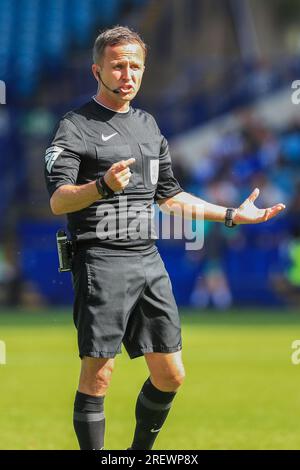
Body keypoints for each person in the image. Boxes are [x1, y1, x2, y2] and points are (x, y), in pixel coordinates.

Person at [44, 26, 285, 450]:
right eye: (118, 66)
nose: (127, 74)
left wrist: (230, 214)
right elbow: (59, 201)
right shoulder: (75, 125)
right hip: (101, 259)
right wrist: (101, 187)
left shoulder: (148, 124)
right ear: (96, 69)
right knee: (99, 373)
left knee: (171, 374)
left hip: (148, 260)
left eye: (135, 66)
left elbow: (170, 196)